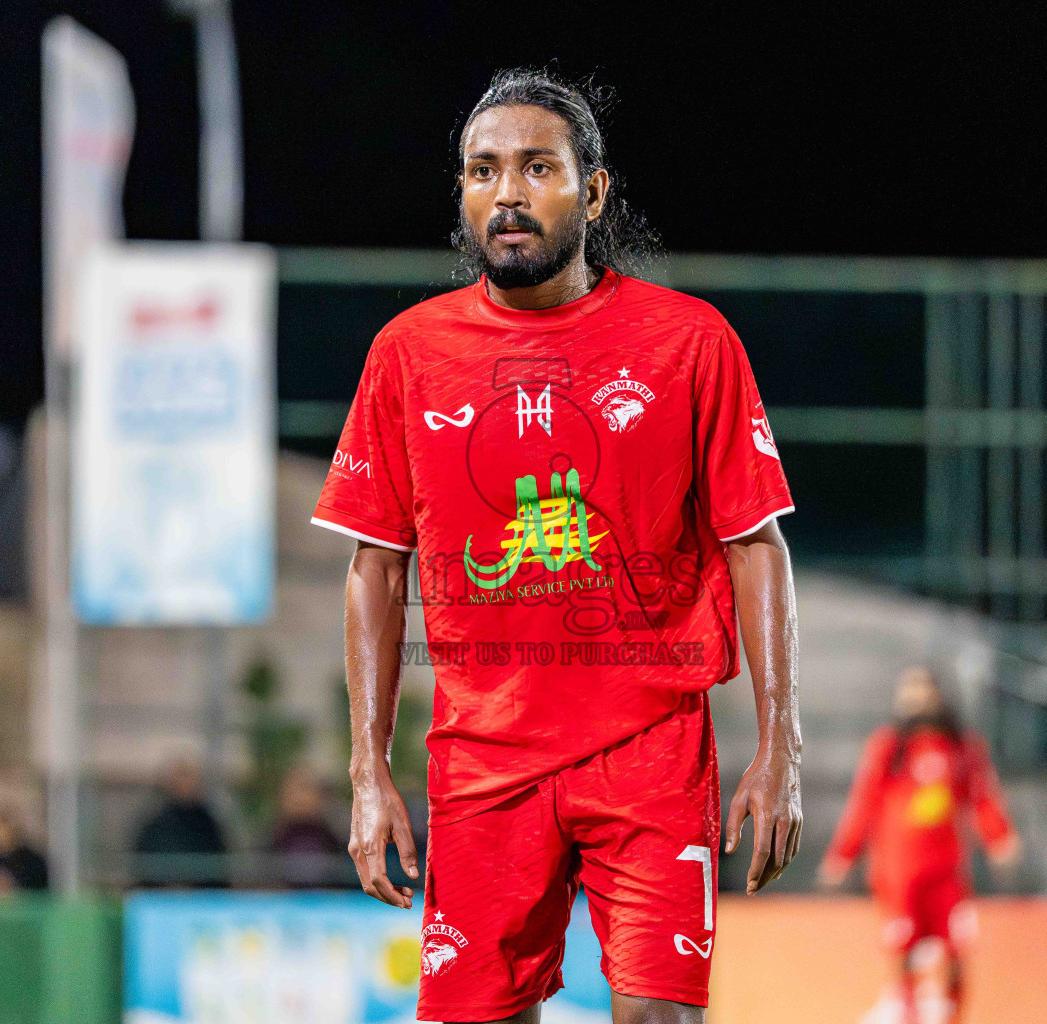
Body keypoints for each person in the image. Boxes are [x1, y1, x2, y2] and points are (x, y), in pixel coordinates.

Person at [311, 68, 802, 1024]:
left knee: (658, 1016)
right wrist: (368, 774)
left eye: (538, 168)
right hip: (482, 767)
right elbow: (374, 565)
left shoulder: (689, 345)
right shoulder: (407, 354)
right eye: (483, 170)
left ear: (595, 189)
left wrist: (780, 743)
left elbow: (757, 545)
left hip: (651, 754)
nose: (507, 194)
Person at [818, 667, 1021, 1024]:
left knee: (957, 947)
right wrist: (843, 854)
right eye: (908, 689)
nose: (916, 697)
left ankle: (953, 1013)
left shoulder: (962, 746)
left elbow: (982, 796)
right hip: (899, 872)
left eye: (922, 688)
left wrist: (1000, 838)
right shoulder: (888, 747)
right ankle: (906, 1010)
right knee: (903, 946)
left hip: (948, 871)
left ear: (938, 694)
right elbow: (863, 803)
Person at [132, 759, 228, 888]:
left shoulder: (208, 823)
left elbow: (220, 863)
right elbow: (144, 862)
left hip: (202, 898)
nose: (185, 784)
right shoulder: (156, 822)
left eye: (189, 778)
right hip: (161, 896)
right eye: (180, 778)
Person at [267, 769, 347, 888]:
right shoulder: (274, 835)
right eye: (293, 792)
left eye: (305, 791)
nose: (299, 799)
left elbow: (345, 875)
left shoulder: (332, 834)